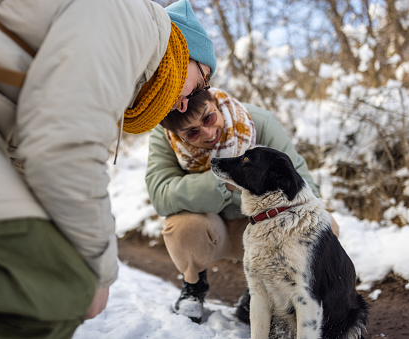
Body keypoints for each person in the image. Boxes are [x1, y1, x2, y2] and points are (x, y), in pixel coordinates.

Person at [0, 0, 216, 338]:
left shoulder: (124, 57)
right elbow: (64, 144)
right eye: (200, 84)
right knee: (55, 291)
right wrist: (98, 269)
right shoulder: (133, 22)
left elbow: (26, 146)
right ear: (185, 50)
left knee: (4, 284)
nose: (186, 103)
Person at [145, 88, 340, 324]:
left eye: (209, 118)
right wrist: (226, 183)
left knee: (325, 226)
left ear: (214, 102)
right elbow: (160, 194)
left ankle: (260, 289)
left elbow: (305, 187)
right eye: (192, 133)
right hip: (208, 227)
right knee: (183, 226)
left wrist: (266, 200)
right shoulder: (165, 137)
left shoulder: (258, 122)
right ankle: (193, 285)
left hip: (258, 227)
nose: (207, 133)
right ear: (176, 134)